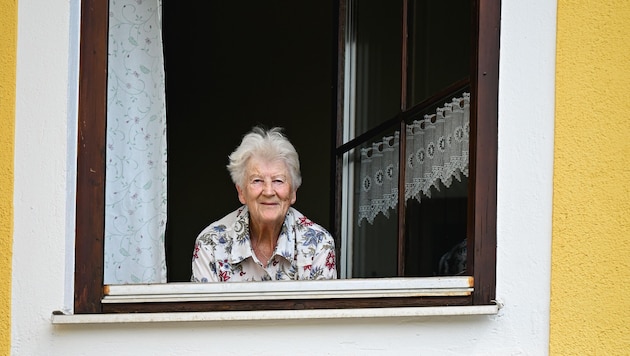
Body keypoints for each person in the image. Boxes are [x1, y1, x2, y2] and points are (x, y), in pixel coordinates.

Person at [191, 126, 337, 282]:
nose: (268, 191)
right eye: (257, 181)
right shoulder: (210, 244)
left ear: (293, 192)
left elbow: (320, 306)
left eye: (278, 181)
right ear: (241, 192)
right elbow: (207, 307)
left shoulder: (318, 244)